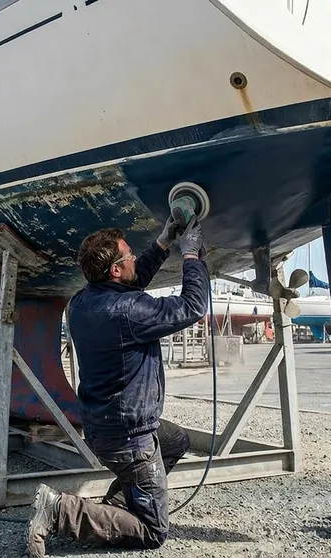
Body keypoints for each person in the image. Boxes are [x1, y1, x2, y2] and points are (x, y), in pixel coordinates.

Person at [25, 215, 210, 557]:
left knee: (177, 441)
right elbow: (193, 306)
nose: (134, 260)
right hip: (129, 438)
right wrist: (191, 256)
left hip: (102, 426)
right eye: (129, 257)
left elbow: (131, 285)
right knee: (153, 532)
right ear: (114, 271)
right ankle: (58, 509)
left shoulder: (80, 304)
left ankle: (116, 507)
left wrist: (162, 243)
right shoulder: (128, 311)